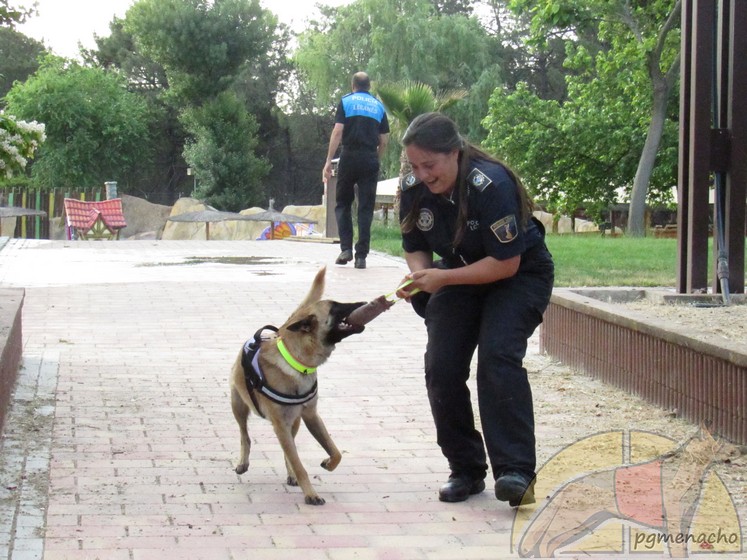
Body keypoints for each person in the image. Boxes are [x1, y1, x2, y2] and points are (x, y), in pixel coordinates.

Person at [395, 112, 554, 506]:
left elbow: (506, 264)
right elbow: (415, 243)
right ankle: (465, 468)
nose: (422, 174)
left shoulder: (490, 184)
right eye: (415, 165)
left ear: (454, 153)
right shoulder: (413, 186)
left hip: (518, 275)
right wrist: (420, 275)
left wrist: (441, 278)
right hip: (461, 272)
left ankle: (516, 471)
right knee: (442, 365)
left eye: (429, 165)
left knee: (498, 355)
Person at [323, 72, 390, 269]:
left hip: (349, 156)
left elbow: (337, 131)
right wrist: (375, 159)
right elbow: (384, 140)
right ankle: (361, 256)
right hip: (369, 157)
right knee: (366, 207)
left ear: (353, 85)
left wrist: (328, 161)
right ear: (369, 86)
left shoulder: (347, 102)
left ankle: (345, 249)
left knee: (343, 202)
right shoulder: (378, 106)